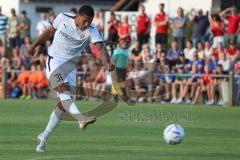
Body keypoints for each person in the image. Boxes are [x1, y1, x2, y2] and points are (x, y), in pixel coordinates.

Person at [27, 5, 111, 153]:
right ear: (77, 15)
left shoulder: (92, 30)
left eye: (89, 22)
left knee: (64, 103)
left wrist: (107, 62)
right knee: (63, 89)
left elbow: (101, 47)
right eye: (84, 21)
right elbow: (49, 32)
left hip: (70, 66)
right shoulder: (63, 18)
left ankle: (44, 137)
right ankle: (81, 118)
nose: (86, 25)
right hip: (54, 60)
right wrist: (33, 46)